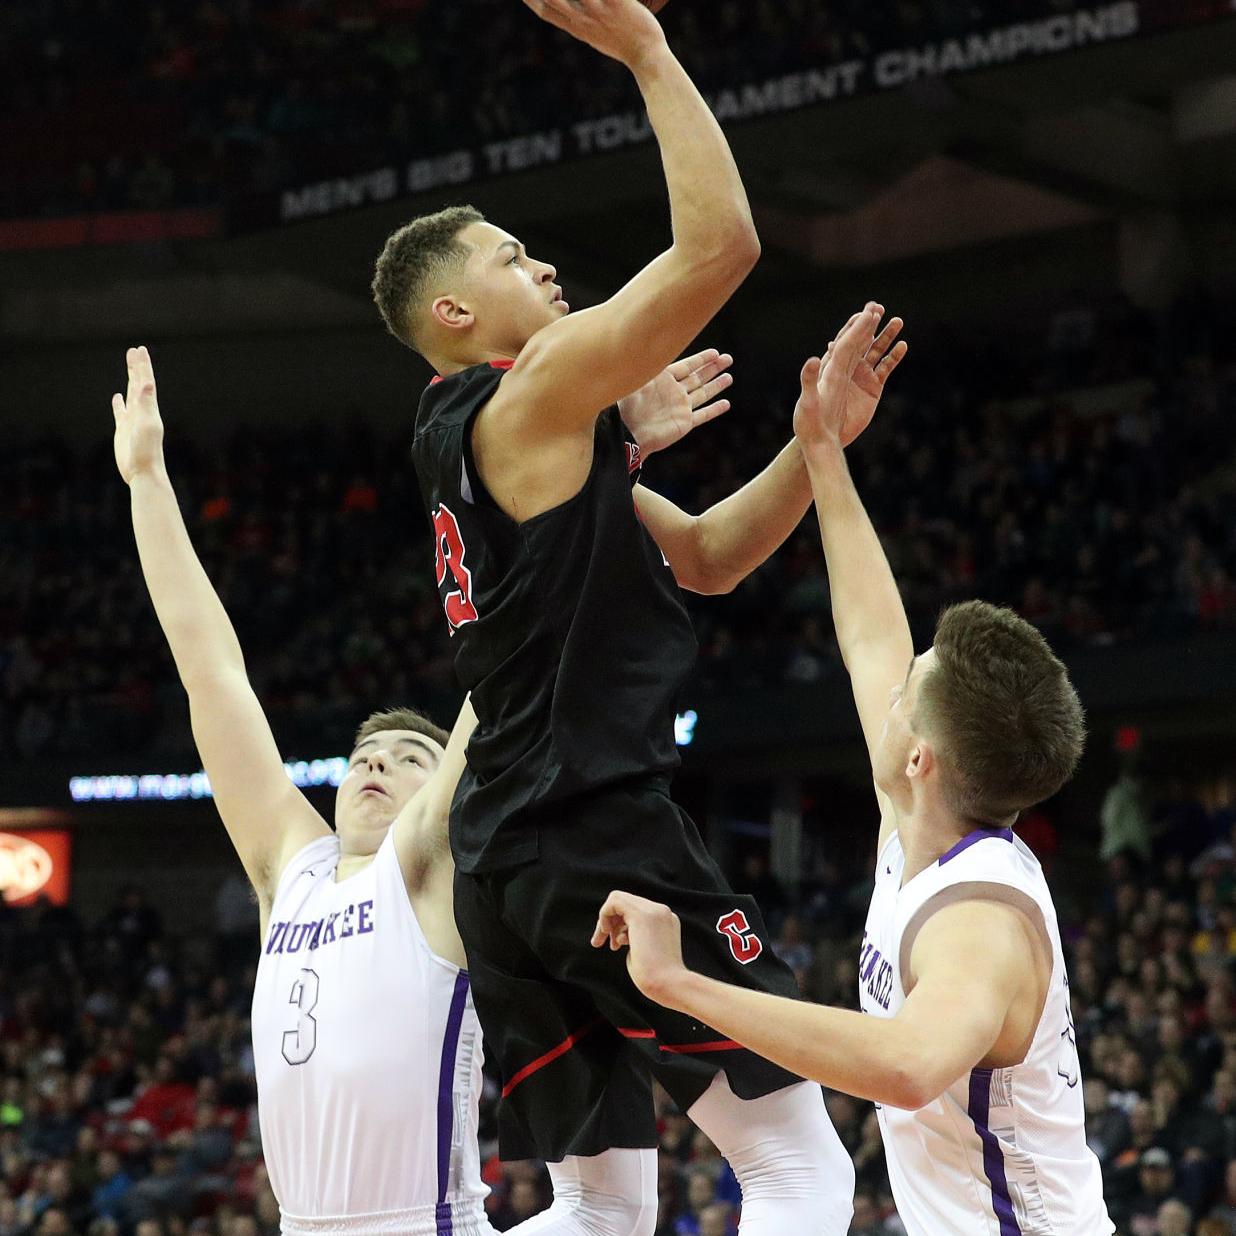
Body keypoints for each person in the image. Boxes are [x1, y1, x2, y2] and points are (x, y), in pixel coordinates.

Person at [370, 3, 896, 1232]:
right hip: (595, 832)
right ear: (454, 317)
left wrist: (812, 452)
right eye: (510, 257)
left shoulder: (506, 439)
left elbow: (710, 559)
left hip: (505, 868)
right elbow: (720, 249)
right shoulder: (532, 395)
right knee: (799, 1170)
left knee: (601, 1211)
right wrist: (650, 51)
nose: (543, 267)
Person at [595, 308, 1115, 1233]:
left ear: (920, 755)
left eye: (910, 692)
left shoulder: (979, 924)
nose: (893, 685)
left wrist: (683, 987)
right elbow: (872, 632)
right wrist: (823, 452)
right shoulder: (918, 808)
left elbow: (911, 1065)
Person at [110, 347, 492, 1236]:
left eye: (406, 758)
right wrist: (146, 483)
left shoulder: (428, 865)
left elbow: (504, 674)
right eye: (366, 753)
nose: (375, 765)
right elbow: (212, 673)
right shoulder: (295, 865)